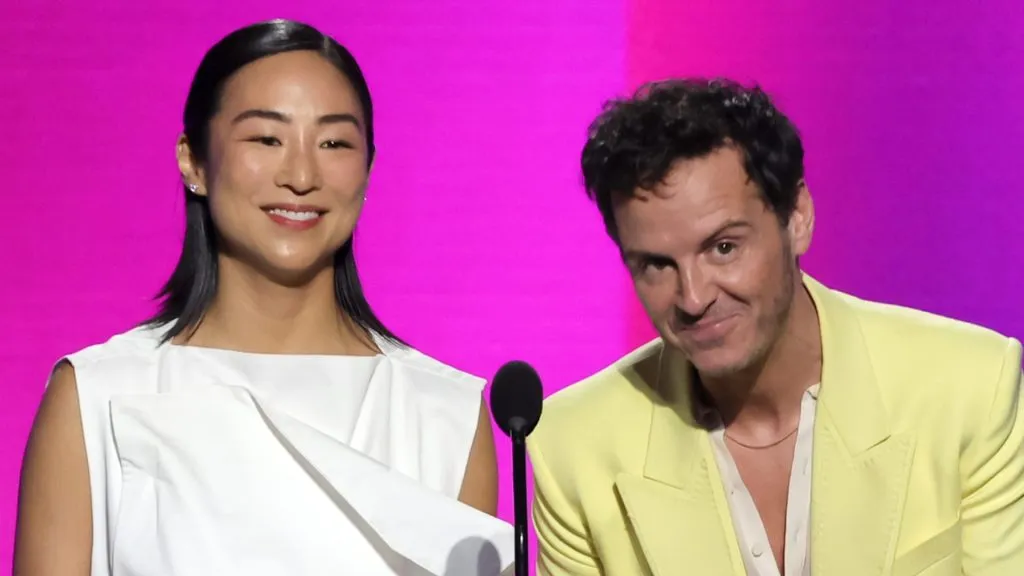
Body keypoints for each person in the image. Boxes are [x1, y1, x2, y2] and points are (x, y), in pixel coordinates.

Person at [15, 19, 512, 576]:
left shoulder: (442, 413)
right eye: (266, 139)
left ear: (368, 167)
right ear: (194, 161)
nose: (301, 175)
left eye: (334, 143)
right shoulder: (95, 394)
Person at [527, 78, 1024, 576]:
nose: (694, 298)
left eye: (723, 247)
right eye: (657, 265)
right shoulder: (575, 449)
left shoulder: (970, 390)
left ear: (797, 217)